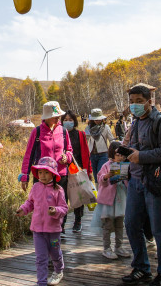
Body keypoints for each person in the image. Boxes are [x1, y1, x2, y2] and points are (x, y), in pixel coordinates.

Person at [121, 83, 161, 286]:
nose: (135, 106)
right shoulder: (135, 123)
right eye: (132, 102)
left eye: (139, 102)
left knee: (159, 229)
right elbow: (134, 148)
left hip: (156, 183)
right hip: (135, 181)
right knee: (131, 224)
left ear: (149, 101)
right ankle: (141, 267)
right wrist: (124, 153)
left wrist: (141, 156)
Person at [16, 156, 68, 286]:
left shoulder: (58, 190)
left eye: (46, 173)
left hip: (53, 230)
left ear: (53, 174)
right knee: (41, 259)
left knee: (55, 253)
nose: (43, 176)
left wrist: (55, 210)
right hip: (38, 229)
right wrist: (23, 210)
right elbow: (30, 203)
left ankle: (59, 270)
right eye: (40, 173)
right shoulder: (35, 187)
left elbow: (64, 208)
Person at [19, 100, 74, 232]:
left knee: (60, 205)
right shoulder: (37, 132)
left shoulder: (64, 131)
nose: (58, 117)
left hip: (60, 176)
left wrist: (67, 157)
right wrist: (25, 176)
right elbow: (29, 155)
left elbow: (70, 150)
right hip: (42, 176)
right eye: (55, 115)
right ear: (47, 116)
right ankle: (41, 231)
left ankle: (58, 230)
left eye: (58, 115)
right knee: (40, 205)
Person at [93, 141, 131, 259]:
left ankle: (118, 246)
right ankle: (106, 248)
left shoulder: (126, 165)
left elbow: (128, 183)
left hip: (121, 199)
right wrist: (106, 176)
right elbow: (101, 180)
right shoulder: (106, 165)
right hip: (108, 201)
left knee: (120, 223)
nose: (120, 157)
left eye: (122, 155)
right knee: (107, 225)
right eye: (117, 155)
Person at [62, 109, 91, 233]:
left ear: (74, 121)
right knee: (63, 196)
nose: (68, 122)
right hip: (63, 170)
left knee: (78, 195)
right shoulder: (59, 134)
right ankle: (61, 223)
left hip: (77, 169)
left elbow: (85, 153)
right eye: (65, 120)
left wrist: (88, 170)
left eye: (70, 120)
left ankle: (78, 220)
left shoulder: (80, 135)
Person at [86, 108, 114, 184]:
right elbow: (86, 140)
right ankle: (99, 193)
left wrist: (115, 149)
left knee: (101, 174)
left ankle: (104, 191)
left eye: (99, 119)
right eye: (95, 119)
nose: (97, 121)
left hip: (103, 154)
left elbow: (111, 139)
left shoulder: (106, 127)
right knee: (95, 176)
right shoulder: (88, 128)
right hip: (92, 154)